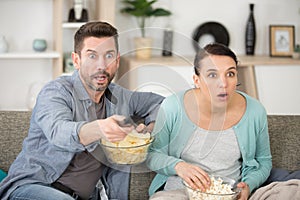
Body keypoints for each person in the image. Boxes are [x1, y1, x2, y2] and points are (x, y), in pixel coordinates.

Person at [0, 21, 164, 200]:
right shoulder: (55, 92)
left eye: (109, 55)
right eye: (92, 56)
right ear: (76, 60)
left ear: (117, 61)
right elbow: (58, 131)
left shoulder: (121, 96)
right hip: (32, 187)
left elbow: (161, 103)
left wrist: (149, 130)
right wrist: (101, 128)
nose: (101, 65)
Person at [146, 43, 272, 200]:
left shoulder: (255, 110)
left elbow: (264, 162)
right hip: (181, 193)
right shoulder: (173, 106)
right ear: (197, 80)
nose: (223, 83)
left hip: (229, 193)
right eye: (212, 75)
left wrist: (248, 185)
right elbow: (152, 154)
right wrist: (179, 166)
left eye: (230, 74)